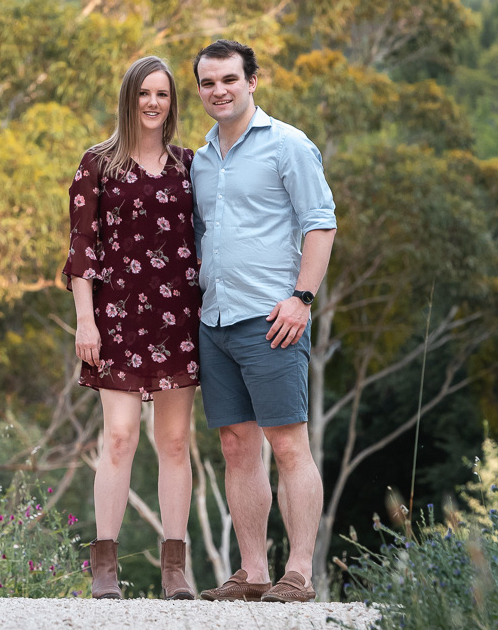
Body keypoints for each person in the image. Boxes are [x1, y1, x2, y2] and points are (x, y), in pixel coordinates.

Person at [189, 40, 337, 603]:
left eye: (229, 79)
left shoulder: (288, 145)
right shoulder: (200, 160)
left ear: (253, 81)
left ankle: (298, 572)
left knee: (287, 444)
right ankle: (252, 572)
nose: (218, 90)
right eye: (208, 83)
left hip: (272, 319)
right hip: (216, 321)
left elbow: (319, 224)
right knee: (234, 445)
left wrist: (302, 298)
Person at [63, 55, 201, 600]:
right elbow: (81, 252)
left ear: (172, 103)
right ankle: (104, 568)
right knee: (118, 439)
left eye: (163, 95)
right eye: (144, 93)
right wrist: (85, 321)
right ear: (129, 98)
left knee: (174, 442)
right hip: (114, 322)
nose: (153, 103)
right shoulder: (96, 163)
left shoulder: (190, 164)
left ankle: (174, 570)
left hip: (178, 323)